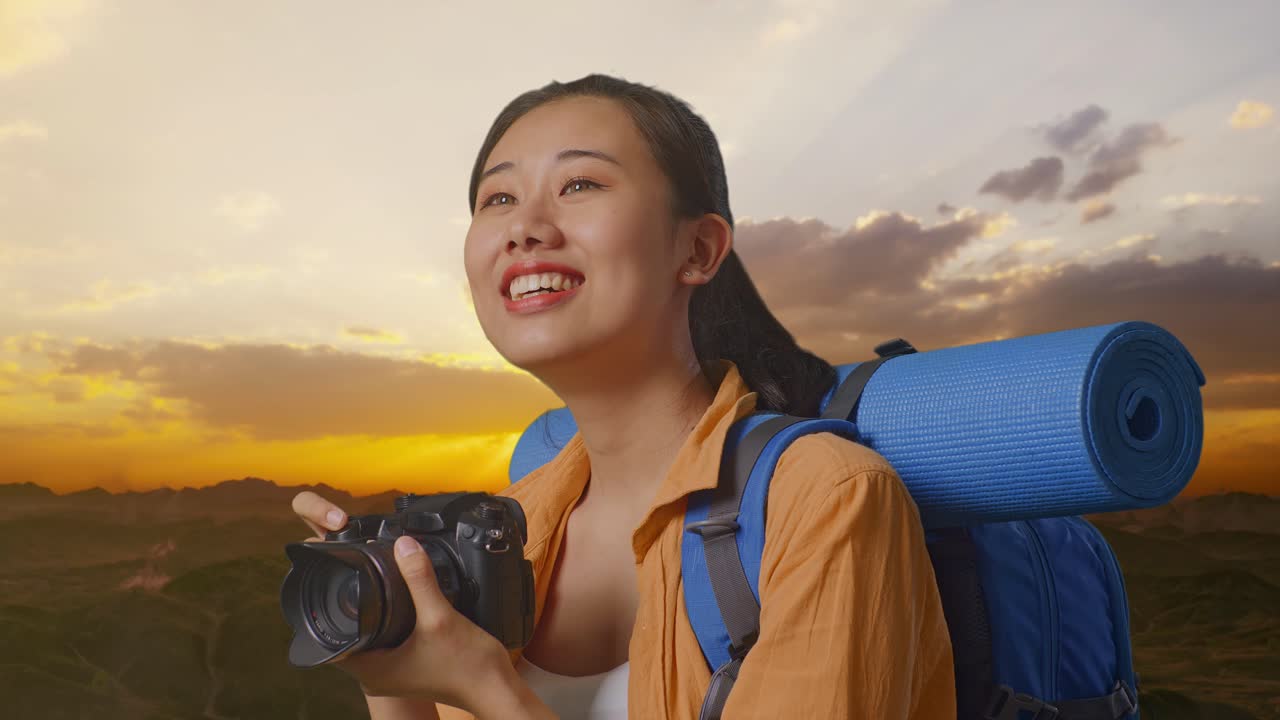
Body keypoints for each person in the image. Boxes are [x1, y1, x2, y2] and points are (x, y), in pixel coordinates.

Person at [292, 73, 956, 719]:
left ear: (697, 248)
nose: (525, 227)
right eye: (498, 199)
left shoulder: (824, 498)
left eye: (579, 184)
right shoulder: (509, 529)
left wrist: (487, 687)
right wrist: (384, 657)